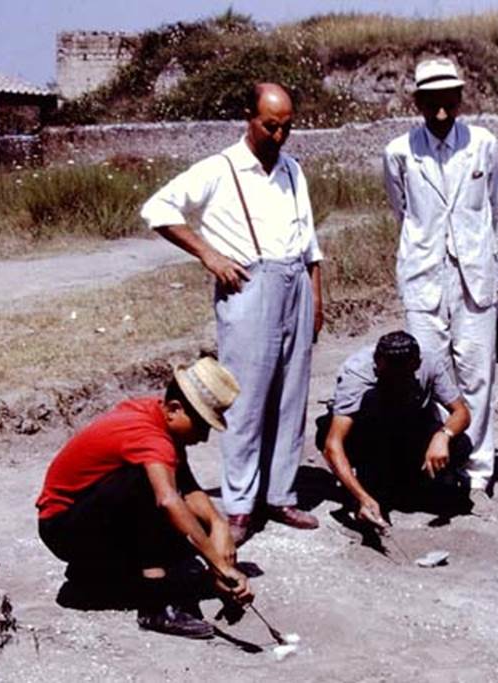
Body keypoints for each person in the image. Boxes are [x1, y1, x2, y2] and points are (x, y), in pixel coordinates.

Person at [141, 83, 323, 544]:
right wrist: (208, 254)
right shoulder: (220, 168)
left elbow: (309, 241)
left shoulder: (293, 170)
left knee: (291, 393)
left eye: (287, 128)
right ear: (249, 117)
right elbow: (158, 208)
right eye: (270, 126)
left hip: (295, 282)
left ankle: (280, 494)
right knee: (245, 397)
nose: (279, 136)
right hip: (248, 284)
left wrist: (315, 297)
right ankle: (240, 505)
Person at [36, 357, 253, 639]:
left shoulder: (156, 414)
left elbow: (187, 486)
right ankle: (156, 607)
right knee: (153, 493)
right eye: (202, 425)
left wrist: (218, 525)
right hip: (63, 529)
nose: (204, 436)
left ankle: (93, 577)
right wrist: (219, 565)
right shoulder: (150, 437)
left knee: (185, 536)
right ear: (175, 409)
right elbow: (169, 500)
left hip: (84, 517)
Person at [383, 57, 498, 492]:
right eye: (430, 103)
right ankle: (438, 458)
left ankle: (478, 468)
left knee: (476, 370)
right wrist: (426, 249)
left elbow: (491, 205)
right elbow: (403, 212)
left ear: (459, 99)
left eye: (448, 102)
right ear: (416, 102)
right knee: (429, 369)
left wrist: (479, 255)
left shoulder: (483, 144)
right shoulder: (400, 152)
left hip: (473, 271)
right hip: (424, 272)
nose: (440, 113)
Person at [319, 331, 473, 528]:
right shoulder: (357, 374)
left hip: (407, 428)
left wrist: (443, 436)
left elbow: (461, 412)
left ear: (416, 364)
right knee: (370, 402)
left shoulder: (429, 363)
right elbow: (333, 445)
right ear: (377, 364)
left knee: (460, 445)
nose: (398, 381)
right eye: (392, 375)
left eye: (404, 375)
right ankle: (370, 489)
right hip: (368, 434)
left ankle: (410, 486)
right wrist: (362, 497)